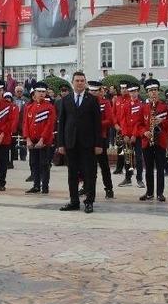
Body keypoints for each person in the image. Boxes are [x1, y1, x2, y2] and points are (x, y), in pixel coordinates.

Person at [57, 72, 103, 214]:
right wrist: (61, 144)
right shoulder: (66, 100)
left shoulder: (92, 100)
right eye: (77, 80)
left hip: (88, 143)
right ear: (72, 82)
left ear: (85, 82)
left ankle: (89, 201)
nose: (80, 83)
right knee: (72, 174)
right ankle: (74, 201)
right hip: (71, 142)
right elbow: (62, 123)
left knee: (89, 173)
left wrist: (98, 144)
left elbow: (97, 124)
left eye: (82, 80)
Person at [140, 79, 168, 202]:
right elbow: (139, 124)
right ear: (147, 93)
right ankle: (149, 192)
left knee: (160, 168)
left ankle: (160, 193)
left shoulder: (165, 107)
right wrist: (144, 132)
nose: (153, 93)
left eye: (155, 90)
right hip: (147, 141)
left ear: (158, 92)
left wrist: (162, 121)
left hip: (160, 141)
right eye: (150, 91)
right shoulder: (144, 107)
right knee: (148, 168)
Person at [24, 81, 57, 194]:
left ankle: (45, 186)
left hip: (44, 141)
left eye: (44, 92)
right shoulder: (29, 107)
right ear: (35, 93)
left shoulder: (50, 107)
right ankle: (36, 185)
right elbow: (26, 125)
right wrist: (27, 138)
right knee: (34, 163)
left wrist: (42, 139)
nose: (42, 94)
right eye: (39, 92)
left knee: (44, 164)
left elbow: (50, 125)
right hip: (32, 141)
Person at [88, 81, 115, 199]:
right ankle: (87, 187)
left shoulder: (105, 103)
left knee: (104, 165)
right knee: (87, 165)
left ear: (100, 92)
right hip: (87, 138)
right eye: (91, 91)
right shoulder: (85, 103)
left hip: (101, 138)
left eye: (95, 91)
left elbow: (110, 120)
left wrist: (96, 124)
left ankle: (109, 188)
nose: (93, 93)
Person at [117, 84, 145, 189]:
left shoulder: (142, 105)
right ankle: (128, 178)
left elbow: (140, 122)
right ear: (129, 93)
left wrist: (134, 134)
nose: (133, 93)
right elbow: (122, 120)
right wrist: (124, 134)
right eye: (131, 92)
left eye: (135, 91)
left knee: (138, 158)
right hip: (127, 136)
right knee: (127, 158)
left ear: (138, 92)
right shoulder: (125, 105)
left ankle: (139, 179)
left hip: (137, 136)